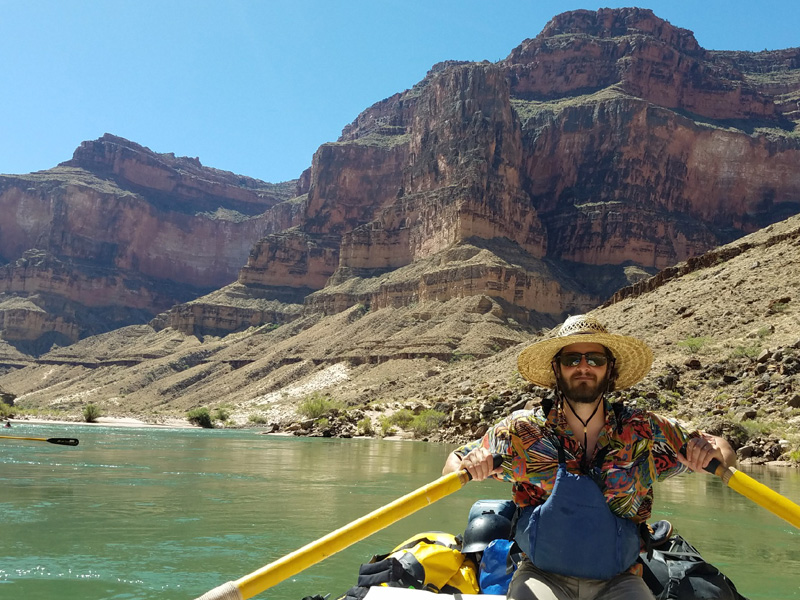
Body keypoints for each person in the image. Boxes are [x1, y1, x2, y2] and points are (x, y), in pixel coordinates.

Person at [442, 315, 737, 600]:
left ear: (610, 369)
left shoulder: (645, 430)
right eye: (572, 360)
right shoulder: (522, 431)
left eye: (595, 359)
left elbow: (724, 451)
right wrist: (470, 466)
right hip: (542, 575)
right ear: (557, 369)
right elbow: (453, 465)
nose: (584, 367)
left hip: (619, 579)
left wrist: (711, 453)